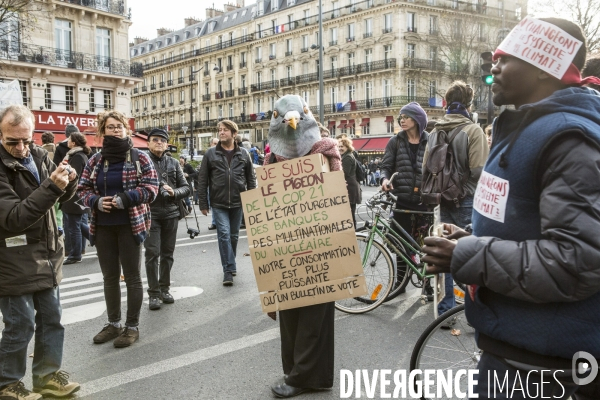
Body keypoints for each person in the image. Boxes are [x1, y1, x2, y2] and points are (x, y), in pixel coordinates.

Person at [422, 17, 600, 399]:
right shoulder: (527, 126)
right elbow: (529, 225)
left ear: (543, 69)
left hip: (542, 370)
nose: (494, 67)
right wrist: (470, 237)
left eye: (506, 58)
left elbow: (576, 261)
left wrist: (465, 254)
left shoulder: (568, 138)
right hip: (516, 354)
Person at [0, 105, 80, 399]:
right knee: (20, 324)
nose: (21, 148)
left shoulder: (40, 155)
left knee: (52, 319)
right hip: (11, 258)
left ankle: (47, 378)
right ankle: (6, 383)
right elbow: (14, 218)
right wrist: (53, 186)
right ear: (0, 135)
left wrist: (68, 182)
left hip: (47, 254)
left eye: (26, 140)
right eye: (12, 141)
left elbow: (58, 197)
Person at [264, 95, 341, 398]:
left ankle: (305, 376)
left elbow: (338, 196)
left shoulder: (326, 152)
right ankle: (299, 370)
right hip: (287, 244)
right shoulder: (272, 159)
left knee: (314, 311)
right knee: (291, 310)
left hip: (319, 242)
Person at [78, 110, 158, 348]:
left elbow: (151, 189)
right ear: (103, 131)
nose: (115, 130)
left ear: (126, 129)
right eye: (110, 127)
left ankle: (131, 327)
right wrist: (95, 201)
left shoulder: (140, 157)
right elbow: (82, 190)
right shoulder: (95, 160)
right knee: (109, 277)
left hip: (131, 225)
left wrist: (126, 198)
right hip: (102, 226)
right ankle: (113, 324)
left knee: (132, 277)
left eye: (119, 126)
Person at [423, 81, 489, 318]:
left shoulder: (434, 133)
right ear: (469, 104)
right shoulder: (473, 131)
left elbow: (426, 169)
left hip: (442, 200)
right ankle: (477, 310)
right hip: (467, 198)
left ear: (446, 103)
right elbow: (480, 170)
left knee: (444, 254)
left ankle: (444, 311)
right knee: (471, 253)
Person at [197, 120, 256, 286]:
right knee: (223, 234)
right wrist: (203, 203)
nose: (221, 132)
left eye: (225, 130)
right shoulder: (210, 154)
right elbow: (203, 180)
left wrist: (252, 201)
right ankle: (228, 270)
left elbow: (251, 179)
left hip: (239, 201)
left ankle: (230, 262)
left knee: (234, 236)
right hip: (219, 202)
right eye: (220, 130)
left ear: (234, 134)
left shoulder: (244, 154)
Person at [144, 129, 190, 311]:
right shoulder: (143, 162)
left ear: (166, 144)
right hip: (150, 213)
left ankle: (165, 289)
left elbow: (186, 188)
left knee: (167, 254)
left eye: (162, 140)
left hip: (171, 213)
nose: (159, 143)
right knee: (152, 253)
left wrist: (174, 192)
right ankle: (153, 293)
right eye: (155, 140)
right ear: (148, 143)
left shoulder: (173, 162)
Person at [381, 102, 429, 233]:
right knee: (401, 247)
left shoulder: (430, 141)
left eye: (406, 117)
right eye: (400, 117)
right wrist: (384, 179)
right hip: (400, 201)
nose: (402, 120)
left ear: (417, 119)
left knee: (423, 246)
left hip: (423, 203)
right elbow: (386, 166)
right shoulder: (395, 141)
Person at [61, 132, 92, 264]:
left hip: (75, 197)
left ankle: (75, 255)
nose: (67, 141)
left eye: (69, 139)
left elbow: (75, 177)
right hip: (79, 197)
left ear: (74, 143)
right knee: (79, 224)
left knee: (74, 226)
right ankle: (98, 240)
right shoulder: (80, 155)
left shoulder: (78, 156)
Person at [338, 137, 362, 228]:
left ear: (347, 147)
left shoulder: (347, 157)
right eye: (339, 146)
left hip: (350, 188)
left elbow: (344, 173)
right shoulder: (347, 155)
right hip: (351, 187)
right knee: (350, 213)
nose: (340, 148)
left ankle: (353, 235)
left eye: (342, 146)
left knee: (350, 214)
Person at [202, 137, 219, 230]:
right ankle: (214, 222)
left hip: (218, 185)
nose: (216, 145)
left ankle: (215, 222)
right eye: (215, 143)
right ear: (211, 144)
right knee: (213, 203)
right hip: (211, 184)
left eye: (218, 143)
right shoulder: (208, 154)